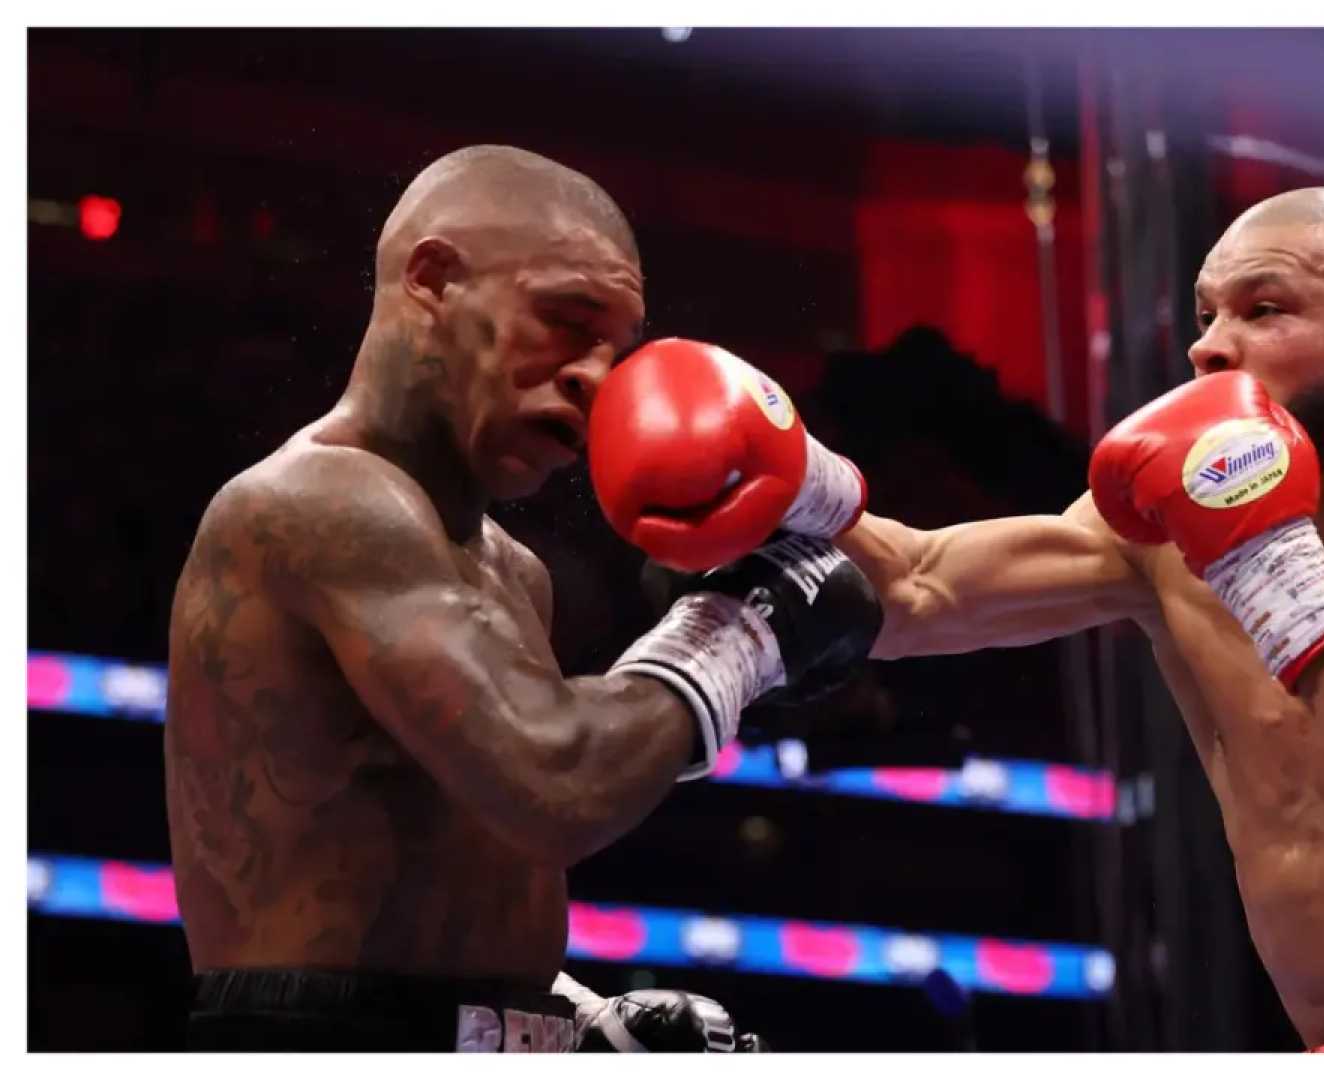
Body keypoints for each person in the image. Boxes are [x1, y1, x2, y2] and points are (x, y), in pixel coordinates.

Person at [605, 187, 1324, 1052]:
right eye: (1206, 316)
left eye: (1264, 310)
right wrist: (795, 475)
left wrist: (1270, 567)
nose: (1211, 349)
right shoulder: (1166, 540)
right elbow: (922, 586)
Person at [163, 145, 880, 1052]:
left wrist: (572, 1017)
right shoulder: (317, 501)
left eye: (616, 350)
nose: (596, 378)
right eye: (566, 320)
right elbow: (557, 784)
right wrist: (741, 630)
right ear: (433, 280)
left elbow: (463, 866)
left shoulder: (513, 570)